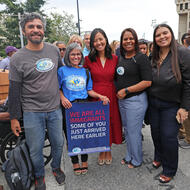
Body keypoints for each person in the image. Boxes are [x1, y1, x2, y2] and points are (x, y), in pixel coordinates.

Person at [8, 12, 65, 190]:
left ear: (43, 30)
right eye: (31, 27)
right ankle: (39, 176)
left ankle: (56, 167)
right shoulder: (17, 58)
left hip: (55, 109)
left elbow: (62, 74)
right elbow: (14, 90)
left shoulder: (54, 51)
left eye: (39, 27)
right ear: (24, 31)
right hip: (32, 112)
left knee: (58, 143)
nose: (36, 30)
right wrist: (14, 117)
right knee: (36, 148)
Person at [58, 42, 109, 175]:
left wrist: (100, 96)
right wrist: (62, 98)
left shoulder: (85, 71)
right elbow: (57, 88)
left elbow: (89, 90)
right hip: (69, 108)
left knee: (84, 135)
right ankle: (75, 162)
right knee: (71, 136)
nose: (75, 56)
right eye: (73, 54)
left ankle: (84, 161)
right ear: (68, 55)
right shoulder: (62, 70)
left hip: (84, 107)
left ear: (81, 56)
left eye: (78, 54)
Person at [148, 24, 190, 183]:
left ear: (171, 34)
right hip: (154, 103)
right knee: (155, 134)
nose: (162, 37)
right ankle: (159, 156)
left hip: (172, 104)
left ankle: (170, 168)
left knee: (168, 137)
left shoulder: (183, 53)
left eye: (165, 33)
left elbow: (188, 82)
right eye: (158, 35)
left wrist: (184, 107)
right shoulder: (154, 54)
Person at [84, 28, 122, 165]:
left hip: (111, 93)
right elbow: (83, 79)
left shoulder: (115, 58)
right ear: (92, 43)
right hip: (96, 95)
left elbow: (120, 77)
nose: (99, 42)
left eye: (101, 39)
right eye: (95, 40)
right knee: (99, 123)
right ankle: (102, 149)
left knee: (111, 121)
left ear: (105, 39)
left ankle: (108, 149)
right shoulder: (88, 59)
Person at [115, 28, 152, 168]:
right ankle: (129, 155)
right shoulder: (121, 57)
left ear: (135, 40)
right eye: (125, 39)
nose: (128, 41)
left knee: (133, 131)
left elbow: (147, 82)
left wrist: (126, 90)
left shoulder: (141, 58)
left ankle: (136, 159)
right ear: (122, 41)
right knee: (127, 130)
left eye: (131, 38)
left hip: (136, 100)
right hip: (122, 100)